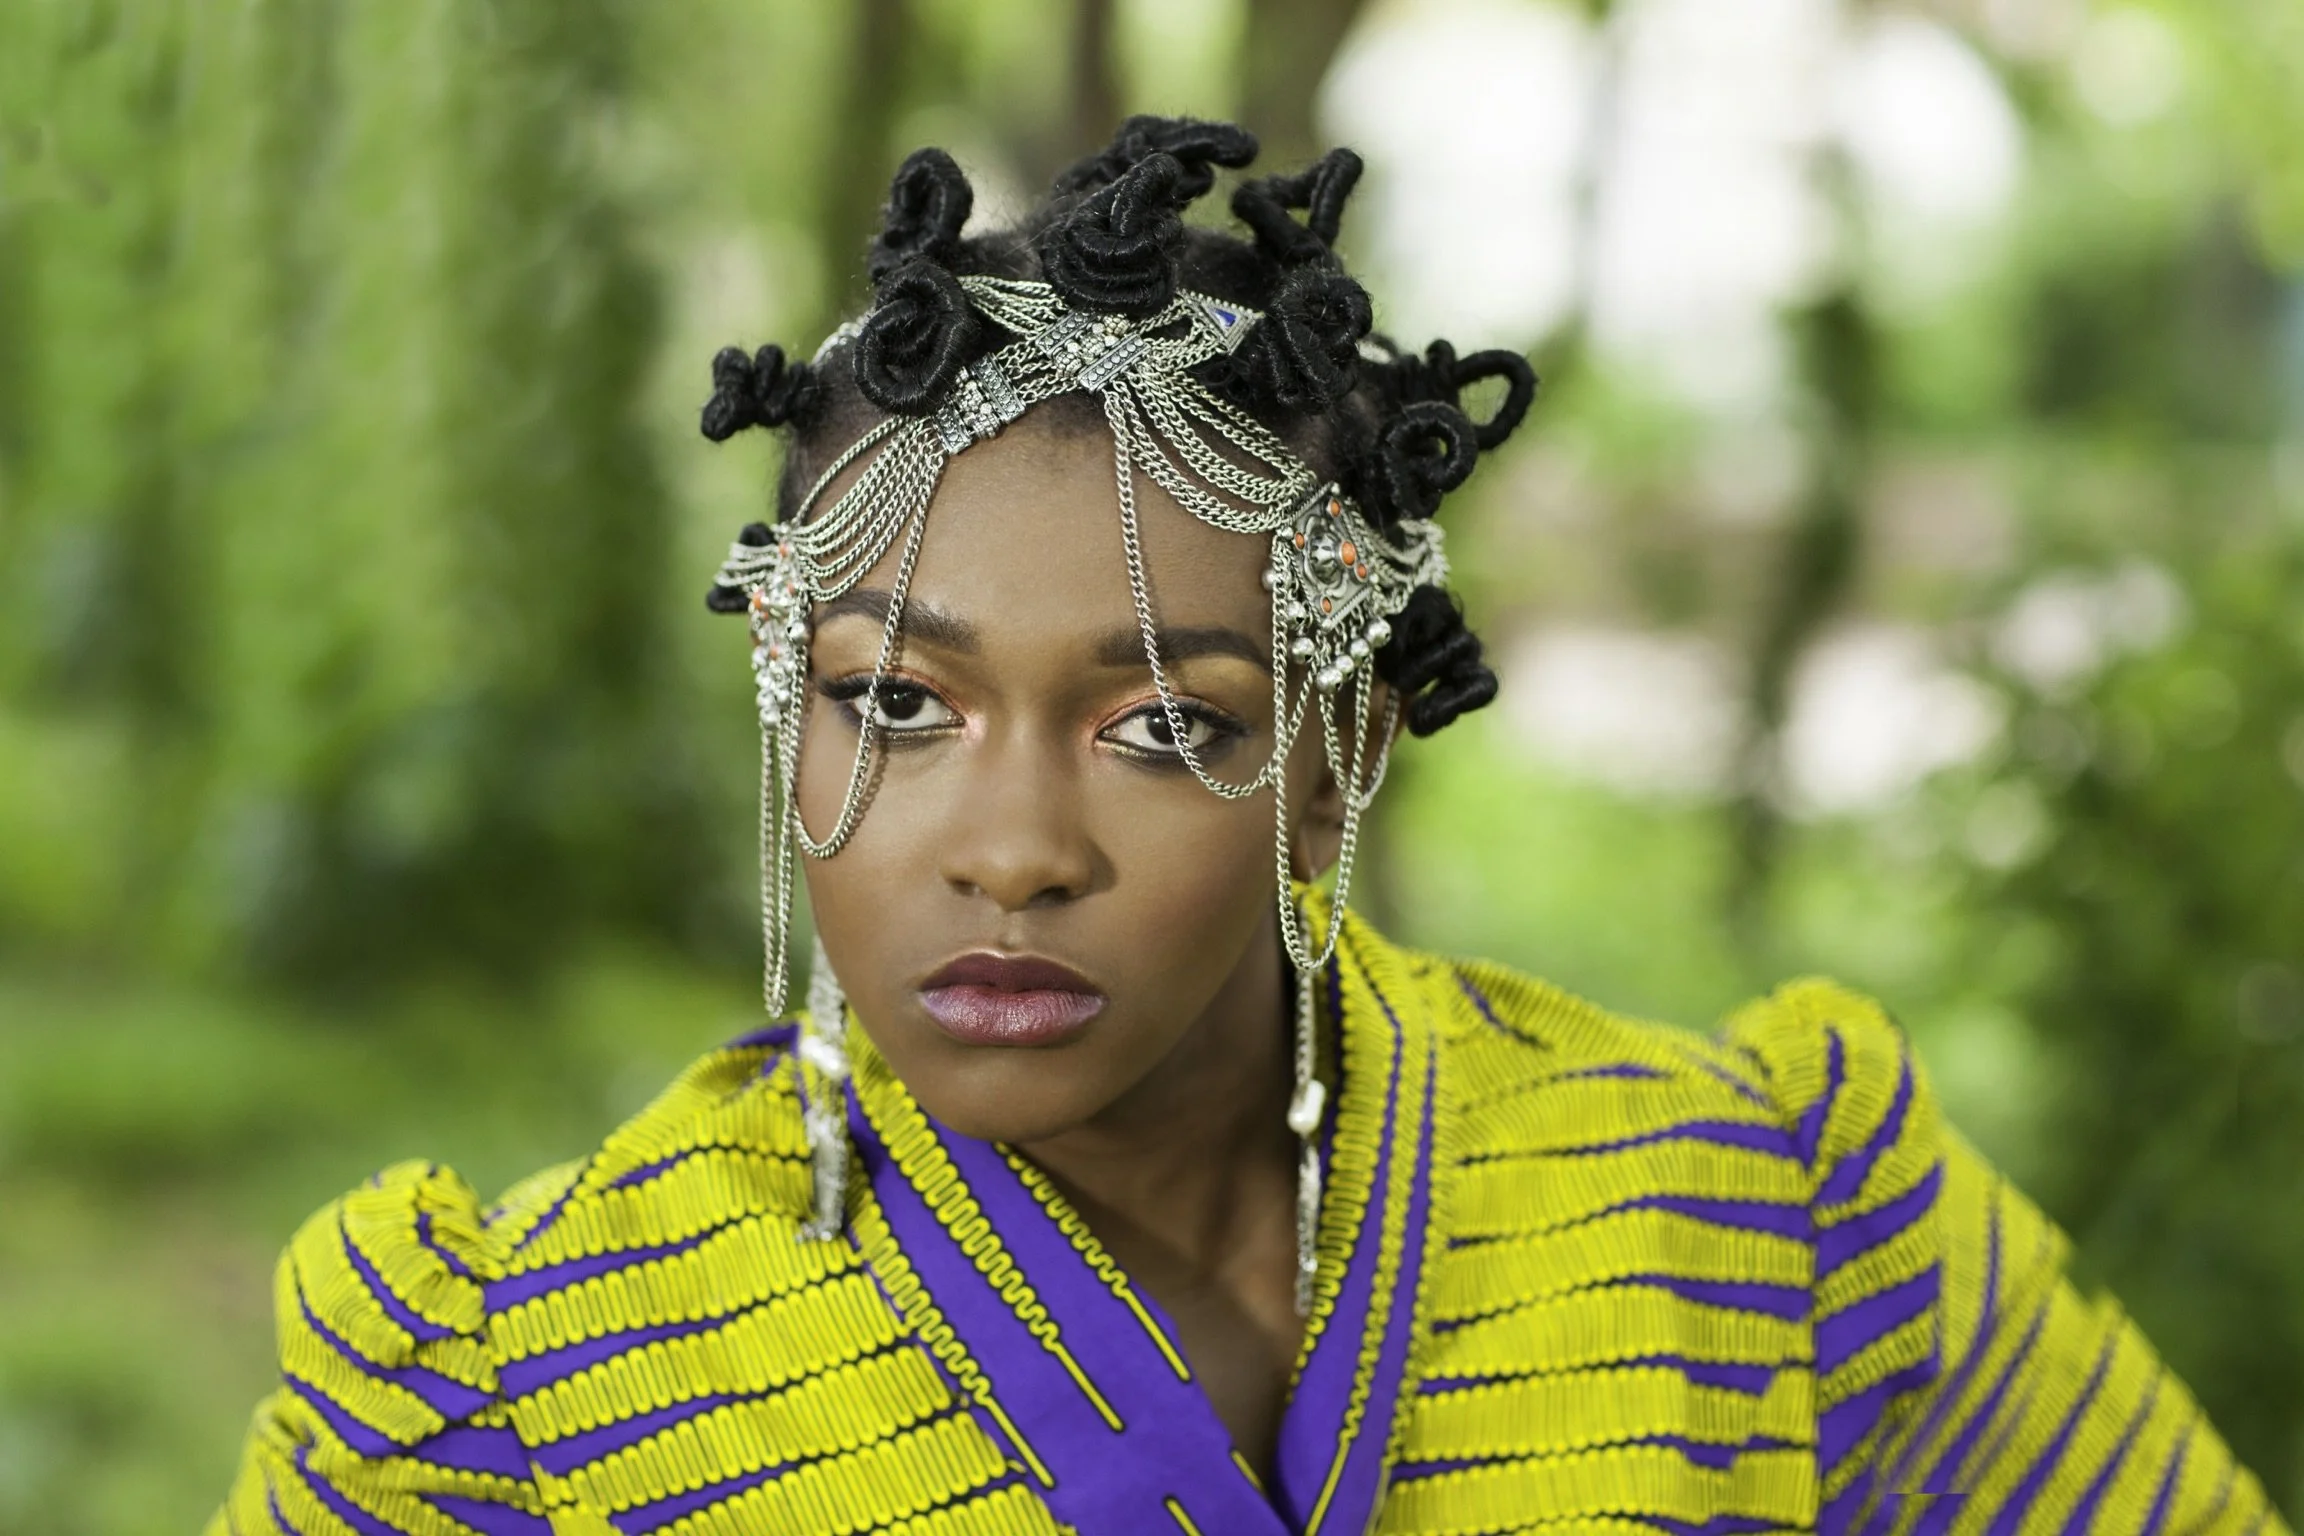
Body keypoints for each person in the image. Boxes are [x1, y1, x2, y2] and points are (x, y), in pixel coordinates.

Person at [210, 118, 2284, 1536]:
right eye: (898, 702)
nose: (1011, 848)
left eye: (1160, 724)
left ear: (1338, 759)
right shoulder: (515, 1387)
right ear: (789, 704)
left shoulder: (1764, 1217)